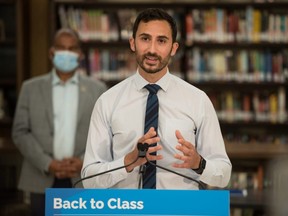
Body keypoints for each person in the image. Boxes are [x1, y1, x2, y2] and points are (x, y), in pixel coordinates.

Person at [81, 8, 232, 189]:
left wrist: (199, 163)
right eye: (145, 39)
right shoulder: (107, 102)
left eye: (161, 41)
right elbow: (89, 179)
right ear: (133, 43)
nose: (152, 49)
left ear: (173, 48)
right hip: (127, 209)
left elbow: (224, 175)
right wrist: (127, 162)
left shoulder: (198, 100)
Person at [12, 28, 107, 216]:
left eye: (72, 49)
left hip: (81, 176)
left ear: (80, 54)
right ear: (51, 52)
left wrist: (83, 161)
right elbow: (20, 132)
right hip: (40, 176)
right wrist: (48, 163)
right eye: (61, 48)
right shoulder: (30, 88)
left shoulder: (98, 89)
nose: (66, 53)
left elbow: (105, 135)